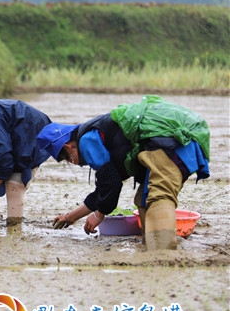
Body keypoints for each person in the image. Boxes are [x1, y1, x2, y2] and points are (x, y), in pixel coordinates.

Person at [36, 95, 210, 250]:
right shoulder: (97, 136)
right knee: (143, 199)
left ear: (69, 148)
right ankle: (150, 245)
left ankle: (163, 253)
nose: (74, 163)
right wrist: (70, 217)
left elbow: (111, 185)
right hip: (171, 140)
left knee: (159, 195)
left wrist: (99, 215)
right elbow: (104, 188)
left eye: (67, 159)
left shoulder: (87, 141)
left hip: (172, 140)